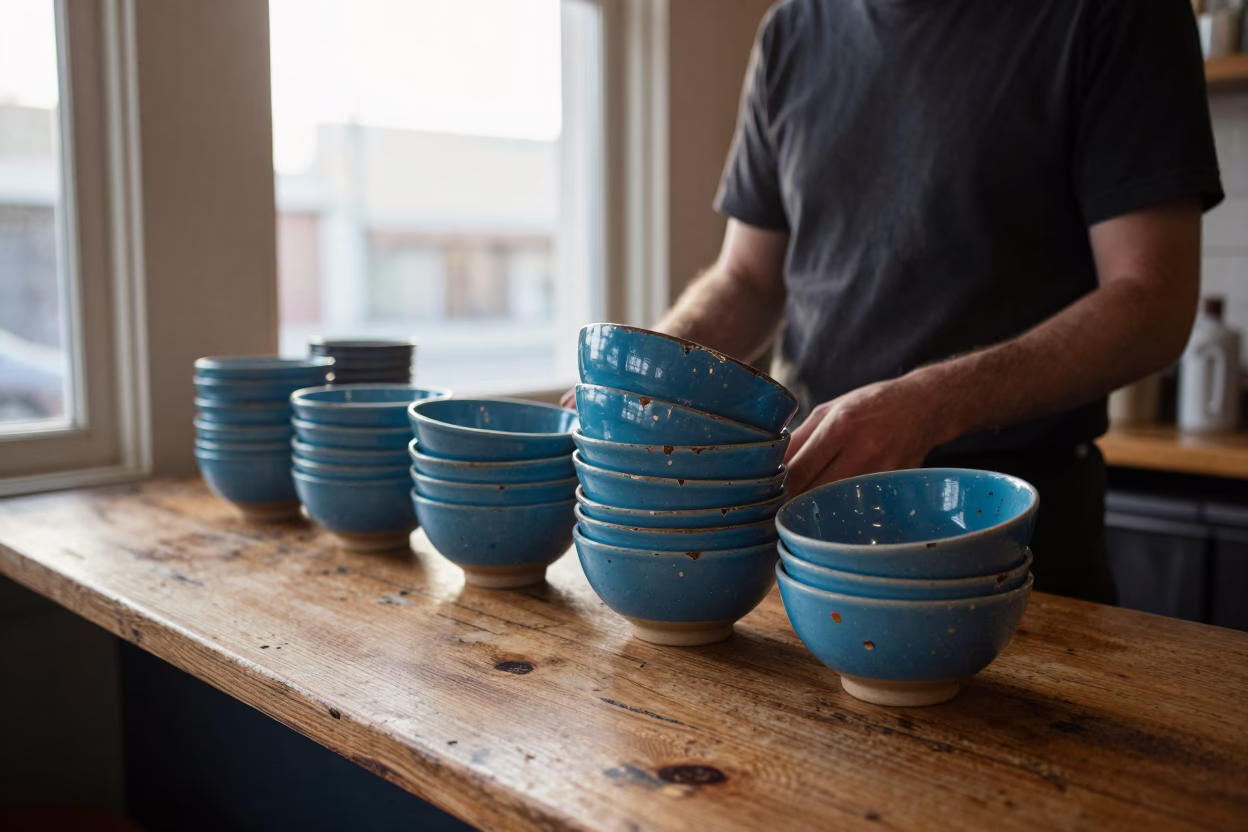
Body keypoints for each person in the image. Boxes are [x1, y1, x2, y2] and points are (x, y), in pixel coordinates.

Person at [578, 0, 1225, 605]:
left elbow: (1153, 299)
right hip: (800, 522)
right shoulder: (794, 29)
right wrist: (640, 376)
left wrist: (928, 406)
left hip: (1008, 536)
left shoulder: (1118, 12)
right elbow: (747, 279)